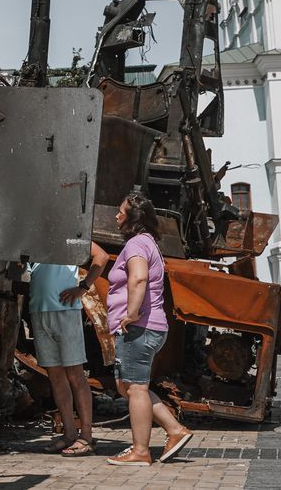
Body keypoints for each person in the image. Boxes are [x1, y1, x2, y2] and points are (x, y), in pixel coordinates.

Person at [104, 191, 192, 467]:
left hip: (139, 328)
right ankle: (175, 430)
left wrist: (131, 314)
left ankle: (141, 450)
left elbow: (139, 278)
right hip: (148, 328)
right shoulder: (148, 242)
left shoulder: (136, 244)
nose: (116, 216)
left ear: (133, 218)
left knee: (136, 388)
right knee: (127, 386)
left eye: (121, 212)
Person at [30, 242, 111, 457]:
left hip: (65, 311)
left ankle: (86, 436)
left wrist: (83, 287)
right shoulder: (34, 235)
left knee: (75, 375)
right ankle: (69, 433)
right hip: (39, 309)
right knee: (55, 376)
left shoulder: (67, 233)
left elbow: (101, 256)